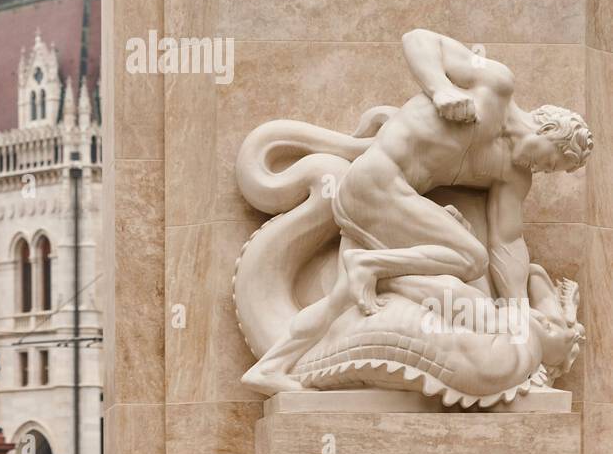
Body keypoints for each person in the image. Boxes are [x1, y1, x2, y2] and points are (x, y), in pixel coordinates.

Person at [242, 29, 592, 394]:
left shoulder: (513, 175)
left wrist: (517, 315)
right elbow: (420, 38)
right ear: (549, 130)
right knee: (470, 256)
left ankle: (271, 366)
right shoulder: (496, 86)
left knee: (340, 300)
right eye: (553, 162)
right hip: (373, 186)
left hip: (387, 205)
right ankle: (371, 266)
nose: (544, 170)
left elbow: (508, 242)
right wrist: (440, 87)